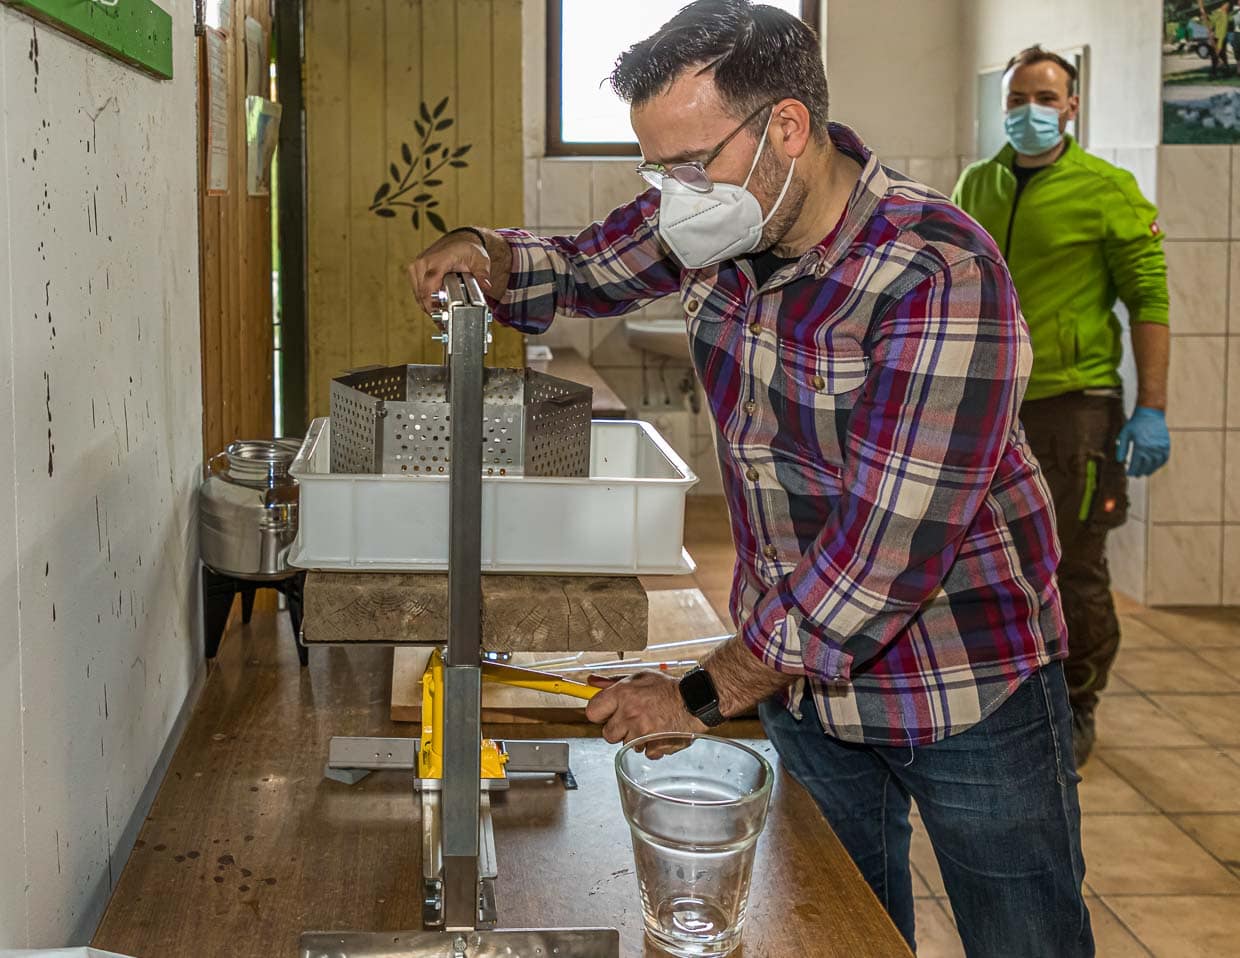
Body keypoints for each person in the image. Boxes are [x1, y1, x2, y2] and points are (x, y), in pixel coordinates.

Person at [407, 3, 1093, 954]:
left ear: (786, 128)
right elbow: (584, 266)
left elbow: (878, 566)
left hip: (963, 679)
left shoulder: (935, 271)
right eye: (657, 169)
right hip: (805, 683)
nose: (672, 195)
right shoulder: (721, 223)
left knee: (1024, 936)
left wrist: (699, 691)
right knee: (836, 930)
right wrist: (485, 254)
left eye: (690, 166)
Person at [952, 47, 1170, 768]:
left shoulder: (1107, 189)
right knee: (986, 560)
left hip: (1075, 409)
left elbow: (1150, 301)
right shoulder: (977, 184)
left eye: (1045, 97)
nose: (1029, 110)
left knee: (1071, 568)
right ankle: (1008, 698)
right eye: (1019, 96)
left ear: (1071, 106)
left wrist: (1153, 407)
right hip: (990, 409)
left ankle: (1078, 702)